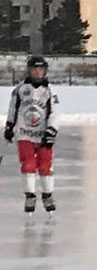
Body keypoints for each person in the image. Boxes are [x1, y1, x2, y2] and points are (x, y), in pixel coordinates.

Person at [4, 55, 59, 213]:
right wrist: (9, 126)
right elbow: (13, 109)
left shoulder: (50, 91)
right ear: (29, 70)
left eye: (41, 69)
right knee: (28, 164)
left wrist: (51, 130)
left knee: (44, 165)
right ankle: (30, 195)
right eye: (35, 69)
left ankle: (47, 194)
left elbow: (54, 113)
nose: (38, 72)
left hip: (43, 134)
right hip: (25, 133)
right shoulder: (20, 89)